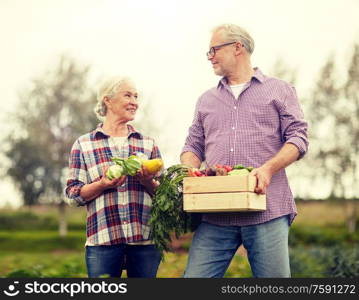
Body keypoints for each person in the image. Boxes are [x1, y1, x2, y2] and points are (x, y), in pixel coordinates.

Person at [181, 24, 308, 278]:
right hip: (215, 214)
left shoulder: (279, 90)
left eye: (214, 50)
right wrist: (189, 169)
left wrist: (268, 169)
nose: (211, 57)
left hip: (267, 210)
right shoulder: (207, 99)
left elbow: (298, 138)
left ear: (237, 47)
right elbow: (192, 145)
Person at [65, 76, 162, 278]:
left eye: (136, 96)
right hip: (103, 241)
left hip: (144, 241)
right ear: (107, 100)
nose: (134, 102)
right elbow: (73, 195)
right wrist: (101, 184)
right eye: (128, 95)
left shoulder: (148, 144)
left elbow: (164, 197)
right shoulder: (84, 144)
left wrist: (147, 181)